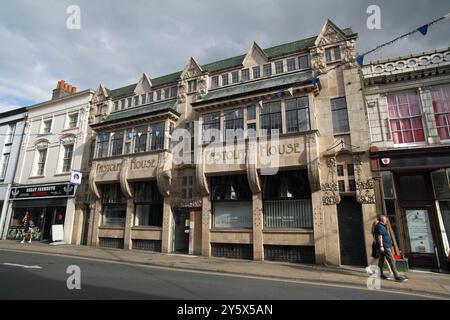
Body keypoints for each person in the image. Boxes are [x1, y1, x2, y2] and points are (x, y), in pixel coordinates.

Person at [375, 215, 408, 282]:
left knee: (381, 261)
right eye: (385, 219)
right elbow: (379, 236)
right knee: (391, 260)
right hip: (384, 246)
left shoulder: (381, 226)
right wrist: (381, 246)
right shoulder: (379, 226)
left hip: (385, 246)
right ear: (382, 220)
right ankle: (396, 276)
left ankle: (379, 274)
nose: (386, 220)